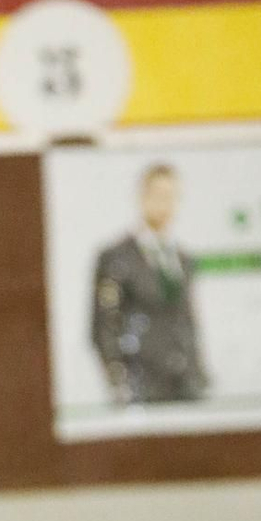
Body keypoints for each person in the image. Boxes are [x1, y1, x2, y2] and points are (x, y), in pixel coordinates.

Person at [91, 160, 207, 404]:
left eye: (172, 197)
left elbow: (187, 321)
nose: (166, 204)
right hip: (142, 386)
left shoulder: (182, 259)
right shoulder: (117, 257)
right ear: (143, 197)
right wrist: (120, 380)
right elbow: (104, 326)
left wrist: (198, 374)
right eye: (159, 195)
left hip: (185, 387)